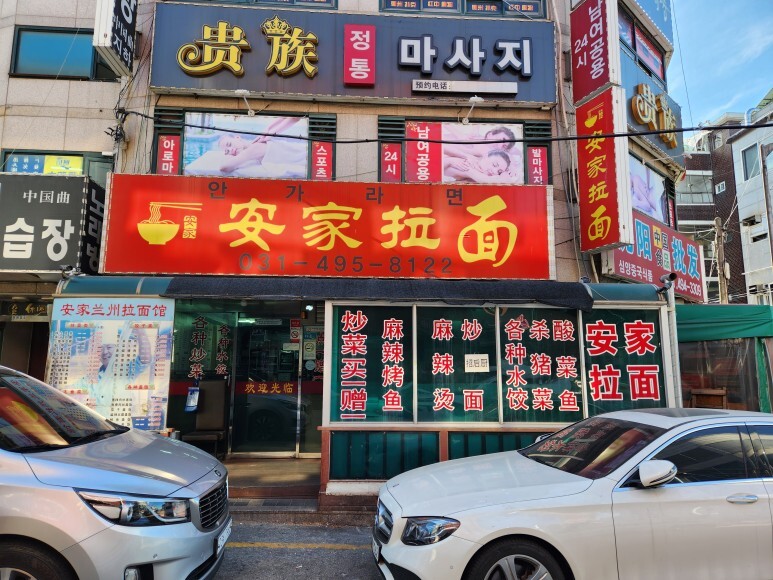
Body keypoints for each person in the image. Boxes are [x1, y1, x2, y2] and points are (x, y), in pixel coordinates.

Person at [218, 117, 304, 174]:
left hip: (305, 156)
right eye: (227, 151)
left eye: (229, 144)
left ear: (237, 137)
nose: (231, 150)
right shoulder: (259, 141)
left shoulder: (254, 148)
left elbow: (224, 168)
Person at [444, 148, 512, 183]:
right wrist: (450, 161)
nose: (494, 171)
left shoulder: (477, 172)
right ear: (486, 156)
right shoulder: (468, 165)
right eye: (494, 165)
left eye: (499, 172)